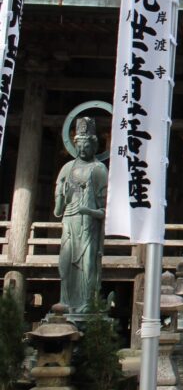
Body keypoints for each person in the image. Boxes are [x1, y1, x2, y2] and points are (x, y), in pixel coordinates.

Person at [55, 116, 107, 314]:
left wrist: (88, 211)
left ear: (95, 146)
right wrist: (61, 194)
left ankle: (87, 302)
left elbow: (103, 210)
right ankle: (65, 300)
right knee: (65, 264)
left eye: (87, 145)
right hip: (69, 222)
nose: (83, 149)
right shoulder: (66, 169)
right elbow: (57, 211)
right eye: (80, 144)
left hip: (89, 226)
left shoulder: (98, 169)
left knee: (87, 264)